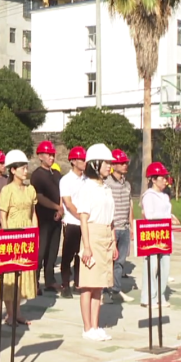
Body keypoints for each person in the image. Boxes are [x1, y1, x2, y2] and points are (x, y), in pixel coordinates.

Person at [76, 144, 117, 341]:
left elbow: (111, 218)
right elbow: (83, 219)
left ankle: (95, 325)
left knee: (100, 284)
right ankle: (87, 328)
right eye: (106, 163)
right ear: (95, 164)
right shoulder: (87, 188)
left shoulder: (107, 188)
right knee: (88, 284)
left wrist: (113, 241)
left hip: (106, 234)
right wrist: (87, 246)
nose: (109, 166)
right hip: (92, 235)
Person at [0, 150, 38, 326]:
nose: (25, 171)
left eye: (26, 168)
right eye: (22, 168)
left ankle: (18, 312)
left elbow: (33, 214)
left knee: (22, 274)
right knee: (10, 275)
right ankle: (10, 314)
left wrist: (35, 233)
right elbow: (2, 216)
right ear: (13, 170)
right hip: (12, 232)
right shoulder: (7, 190)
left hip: (27, 232)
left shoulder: (30, 190)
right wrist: (6, 236)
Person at [139, 162, 180, 308]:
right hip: (152, 235)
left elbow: (166, 212)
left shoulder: (164, 196)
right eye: (162, 178)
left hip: (165, 234)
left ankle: (160, 295)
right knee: (152, 267)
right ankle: (148, 297)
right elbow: (150, 215)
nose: (165, 181)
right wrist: (168, 218)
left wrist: (172, 216)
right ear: (153, 179)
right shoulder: (148, 196)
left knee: (164, 268)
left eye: (165, 178)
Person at [31, 140, 63, 292]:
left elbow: (62, 193)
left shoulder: (56, 174)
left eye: (53, 155)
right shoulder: (37, 175)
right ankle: (35, 281)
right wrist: (56, 207)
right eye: (48, 155)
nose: (51, 157)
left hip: (57, 218)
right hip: (43, 218)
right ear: (40, 156)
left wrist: (61, 209)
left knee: (53, 250)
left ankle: (50, 280)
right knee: (40, 251)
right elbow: (39, 197)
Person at [58, 146, 87, 297]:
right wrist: (80, 216)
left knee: (80, 255)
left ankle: (78, 283)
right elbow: (68, 203)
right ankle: (65, 284)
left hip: (85, 223)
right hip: (72, 222)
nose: (84, 162)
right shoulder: (66, 180)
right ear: (73, 161)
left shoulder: (87, 180)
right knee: (68, 255)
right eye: (82, 159)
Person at [107, 149, 135, 303]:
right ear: (113, 165)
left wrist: (131, 226)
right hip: (112, 228)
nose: (125, 165)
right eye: (122, 163)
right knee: (109, 261)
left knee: (120, 261)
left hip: (124, 228)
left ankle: (116, 290)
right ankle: (106, 291)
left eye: (126, 163)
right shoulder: (107, 184)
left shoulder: (127, 184)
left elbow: (130, 205)